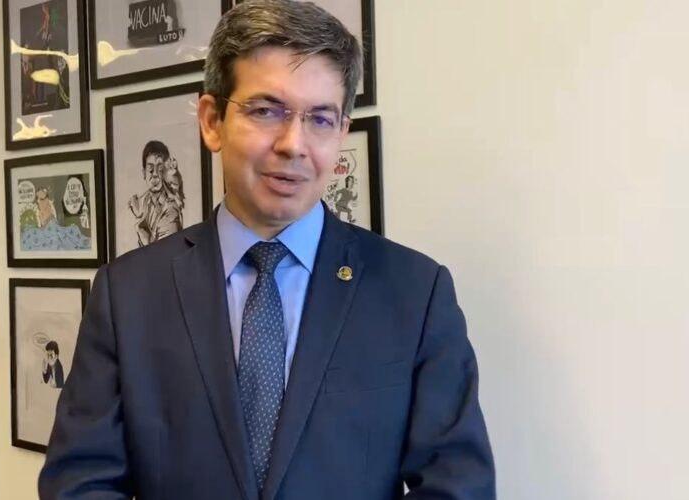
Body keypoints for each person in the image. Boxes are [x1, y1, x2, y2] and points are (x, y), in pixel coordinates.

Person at [39, 1, 495, 499]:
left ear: (342, 132)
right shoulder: (127, 294)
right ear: (212, 121)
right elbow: (79, 482)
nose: (293, 144)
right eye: (265, 111)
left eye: (320, 118)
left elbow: (458, 487)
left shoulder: (415, 293)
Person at [128, 140, 184, 245]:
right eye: (150, 170)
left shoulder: (171, 208)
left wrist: (143, 232)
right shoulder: (142, 202)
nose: (155, 174)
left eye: (160, 169)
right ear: (144, 173)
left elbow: (164, 251)